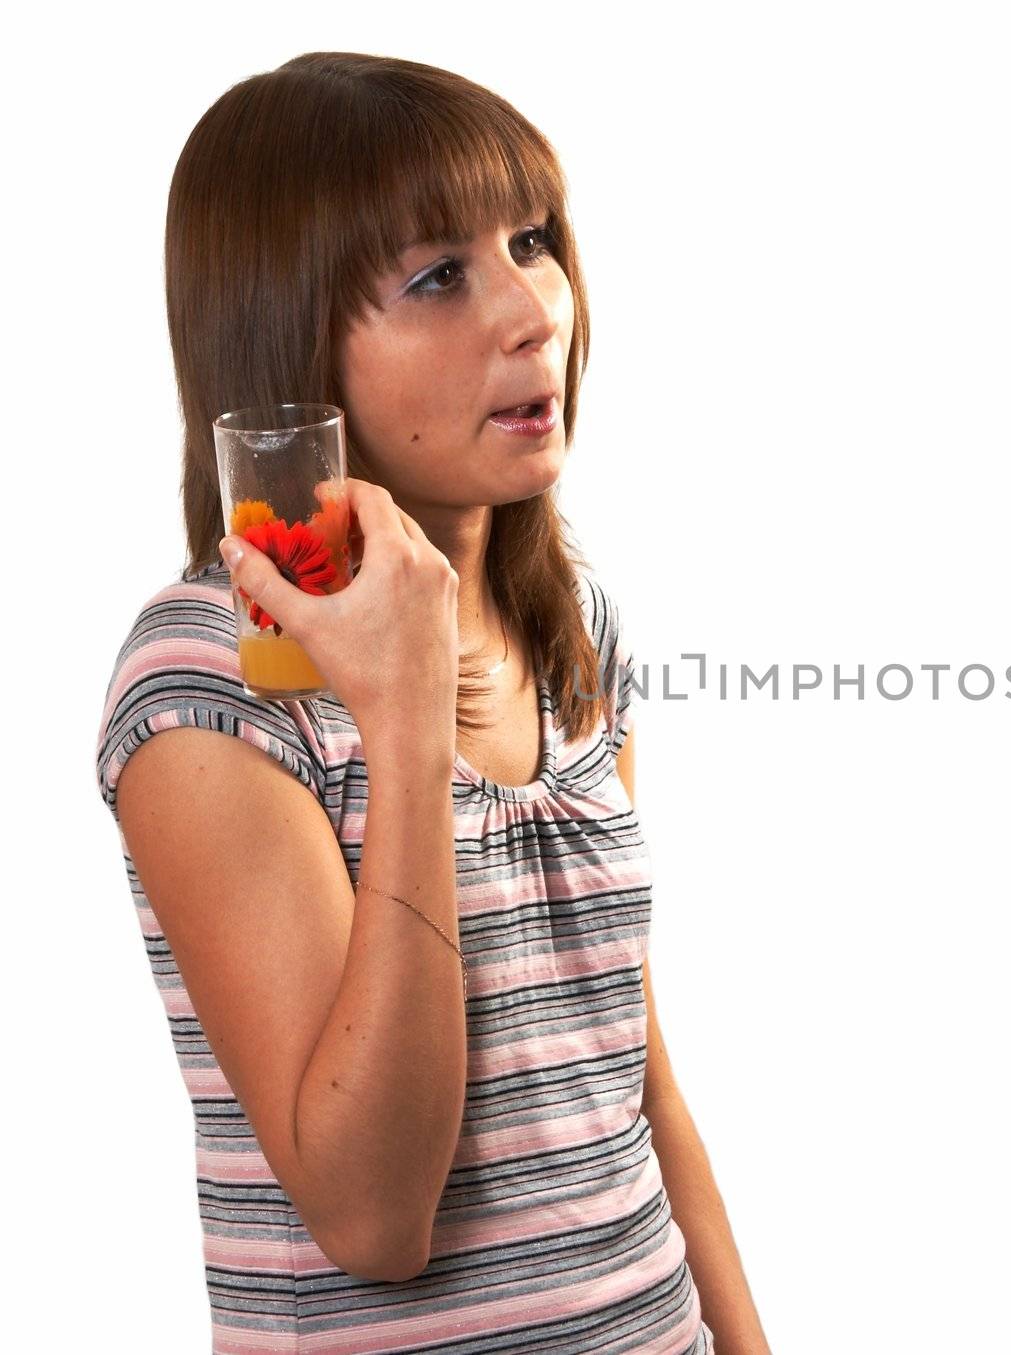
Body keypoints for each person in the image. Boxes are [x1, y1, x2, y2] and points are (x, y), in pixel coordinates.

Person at [92, 52, 768, 1354]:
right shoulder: (209, 689)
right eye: (437, 274)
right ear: (292, 345)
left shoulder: (571, 624)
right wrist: (404, 726)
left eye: (531, 242)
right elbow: (370, 1215)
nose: (534, 310)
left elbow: (637, 1084)